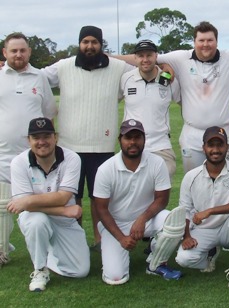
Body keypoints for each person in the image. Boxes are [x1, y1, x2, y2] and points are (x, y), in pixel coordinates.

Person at [42, 26, 132, 248]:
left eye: (94, 42)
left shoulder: (118, 67)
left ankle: (100, 238)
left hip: (102, 145)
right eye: (85, 42)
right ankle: (76, 237)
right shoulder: (63, 66)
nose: (89, 46)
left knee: (99, 197)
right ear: (79, 44)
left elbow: (145, 64)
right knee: (72, 196)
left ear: (101, 44)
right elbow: (37, 76)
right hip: (69, 145)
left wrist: (166, 65)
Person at [150, 21, 229, 172]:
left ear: (217, 41)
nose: (205, 44)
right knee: (194, 182)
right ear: (194, 42)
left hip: (222, 132)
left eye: (210, 40)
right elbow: (148, 59)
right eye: (201, 40)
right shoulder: (181, 58)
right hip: (192, 135)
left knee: (222, 181)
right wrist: (164, 66)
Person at [93, 119, 185, 285]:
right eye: (128, 138)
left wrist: (142, 219)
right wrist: (121, 238)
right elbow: (101, 209)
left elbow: (162, 199)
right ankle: (113, 251)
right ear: (120, 140)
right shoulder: (106, 169)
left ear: (144, 139)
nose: (133, 142)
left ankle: (156, 262)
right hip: (115, 224)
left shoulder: (156, 163)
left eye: (137, 137)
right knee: (116, 278)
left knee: (173, 221)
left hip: (146, 220)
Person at [7, 118, 89, 291]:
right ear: (28, 140)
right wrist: (65, 211)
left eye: (47, 136)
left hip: (62, 220)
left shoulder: (72, 158)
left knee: (80, 271)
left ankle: (48, 252)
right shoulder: (19, 163)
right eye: (36, 138)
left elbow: (62, 197)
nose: (41, 142)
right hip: (35, 217)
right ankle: (40, 269)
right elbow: (25, 208)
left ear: (56, 137)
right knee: (37, 222)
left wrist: (29, 200)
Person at [0, 32, 57, 266]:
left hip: (34, 155)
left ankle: (51, 248)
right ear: (5, 53)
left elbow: (49, 111)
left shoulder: (39, 77)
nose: (18, 54)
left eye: (22, 50)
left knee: (38, 204)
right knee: (3, 205)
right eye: (13, 50)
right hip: (2, 153)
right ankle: (2, 250)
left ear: (29, 52)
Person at [175, 126, 229, 288]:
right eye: (211, 145)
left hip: (227, 228)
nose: (215, 149)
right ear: (204, 148)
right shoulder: (191, 176)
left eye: (220, 145)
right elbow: (185, 210)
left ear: (227, 147)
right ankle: (210, 253)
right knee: (183, 259)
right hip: (203, 230)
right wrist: (186, 236)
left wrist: (209, 211)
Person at [120, 39, 180, 182]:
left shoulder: (169, 79)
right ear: (135, 58)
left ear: (156, 56)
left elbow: (184, 102)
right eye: (141, 56)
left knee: (161, 194)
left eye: (149, 55)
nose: (145, 59)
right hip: (132, 146)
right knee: (132, 194)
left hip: (161, 145)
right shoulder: (126, 78)